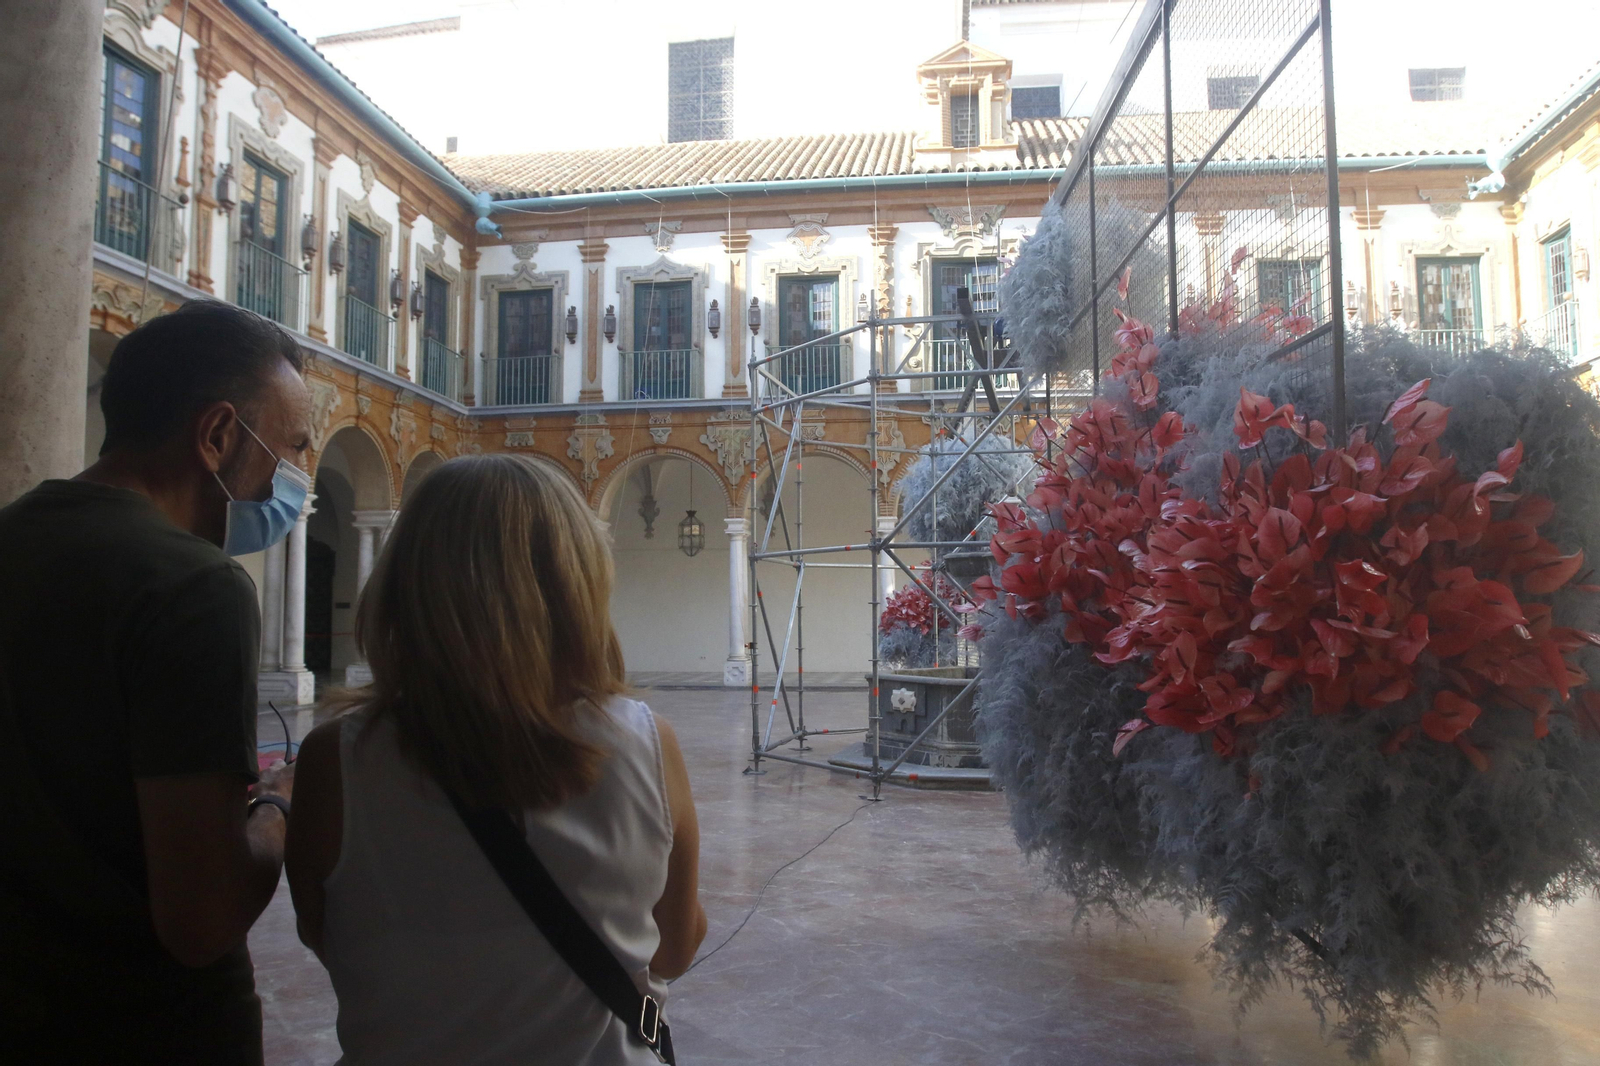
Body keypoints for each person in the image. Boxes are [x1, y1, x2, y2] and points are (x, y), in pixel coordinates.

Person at [286, 453, 706, 1065]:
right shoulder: (647, 743)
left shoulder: (336, 761)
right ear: (576, 581)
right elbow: (673, 949)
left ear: (407, 579)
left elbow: (326, 935)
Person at [0, 299, 312, 1064]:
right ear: (216, 435)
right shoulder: (190, 587)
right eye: (287, 449)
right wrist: (278, 808)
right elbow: (200, 921)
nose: (293, 479)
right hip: (140, 1027)